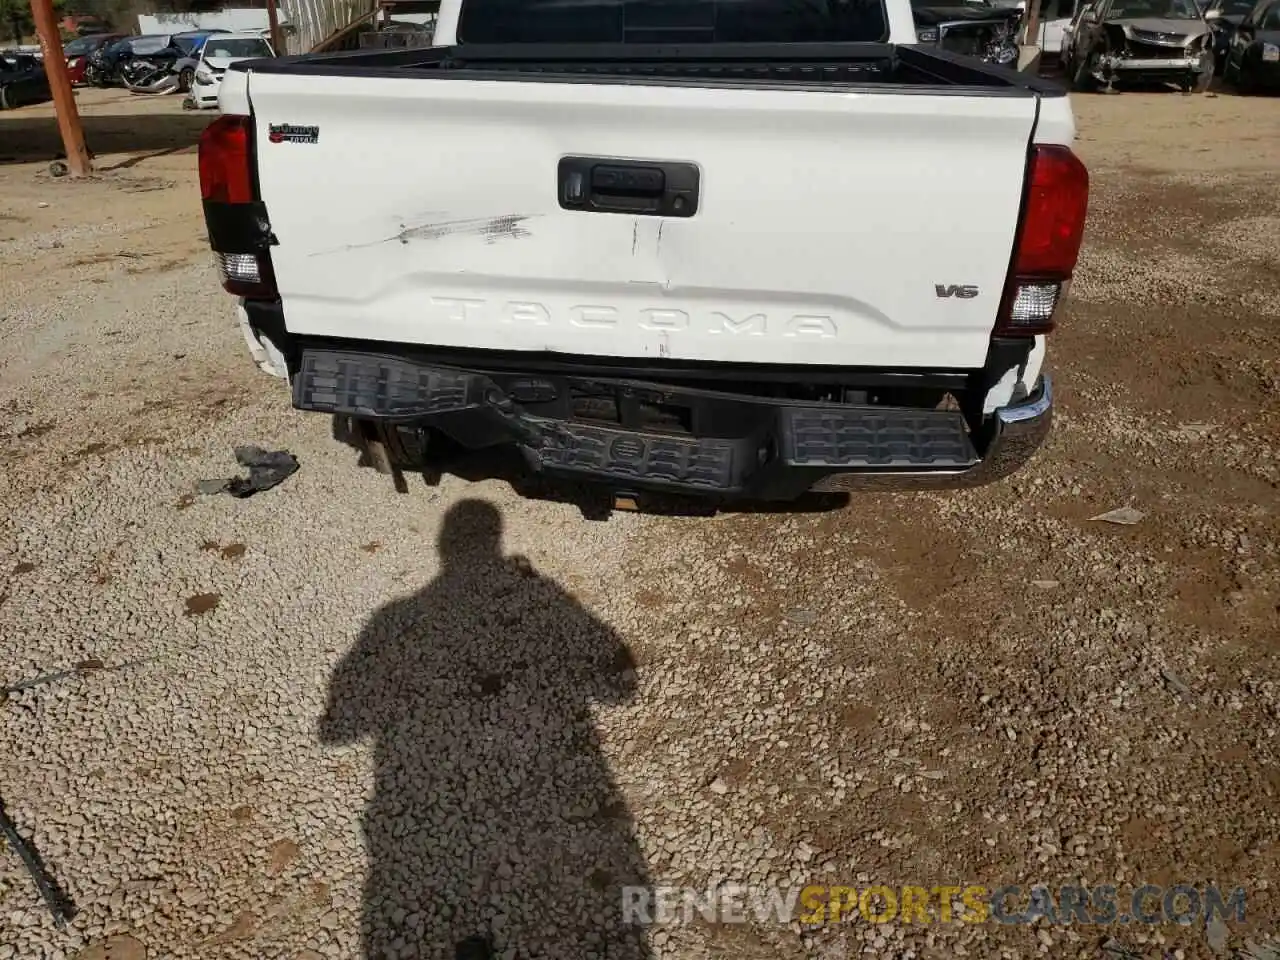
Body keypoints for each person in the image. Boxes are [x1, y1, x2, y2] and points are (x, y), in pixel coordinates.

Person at [320, 499, 652, 959]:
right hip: (546, 818)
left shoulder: (394, 618)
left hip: (427, 821)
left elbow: (337, 729)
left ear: (442, 547)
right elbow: (620, 690)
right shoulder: (541, 596)